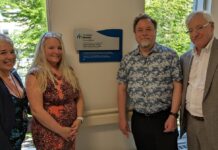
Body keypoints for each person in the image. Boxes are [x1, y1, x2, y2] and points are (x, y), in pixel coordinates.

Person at [117, 13, 182, 150]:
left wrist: (173, 115)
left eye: (148, 29)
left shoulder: (170, 55)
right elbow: (122, 89)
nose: (144, 33)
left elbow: (178, 86)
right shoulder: (127, 60)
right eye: (140, 30)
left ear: (155, 31)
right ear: (135, 33)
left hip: (165, 118)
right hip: (139, 120)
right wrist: (122, 118)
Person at [25, 32, 85, 150]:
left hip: (70, 132)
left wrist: (79, 119)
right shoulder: (35, 75)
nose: (56, 52)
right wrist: (61, 131)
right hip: (48, 133)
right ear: (42, 50)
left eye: (59, 48)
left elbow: (79, 98)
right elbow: (36, 110)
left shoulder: (68, 71)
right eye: (51, 48)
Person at [180, 11, 218, 150]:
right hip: (191, 123)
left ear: (212, 27)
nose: (194, 34)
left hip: (213, 126)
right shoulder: (185, 59)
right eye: (190, 30)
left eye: (199, 27)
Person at [0, 33, 29, 150]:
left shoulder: (14, 74)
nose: (10, 57)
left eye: (12, 52)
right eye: (3, 53)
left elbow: (21, 105)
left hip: (18, 142)